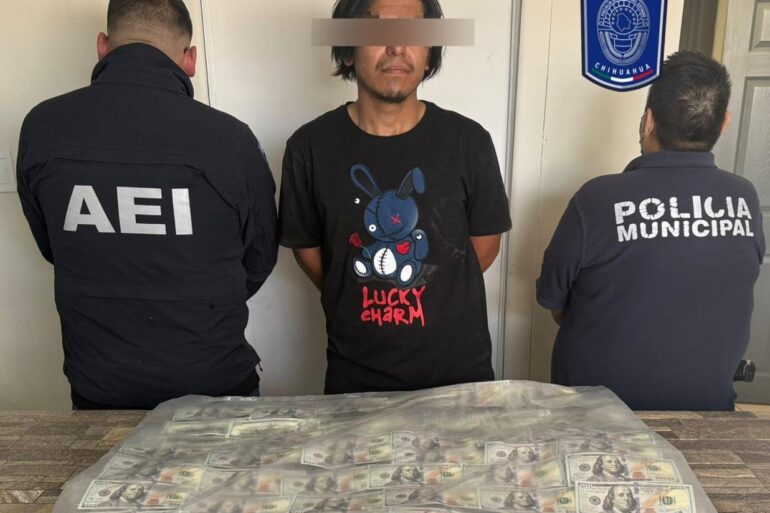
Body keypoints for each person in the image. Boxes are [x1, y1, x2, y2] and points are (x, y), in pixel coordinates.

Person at [16, 0, 277, 409]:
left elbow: (52, 246)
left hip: (99, 393)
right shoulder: (231, 140)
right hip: (216, 391)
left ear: (103, 46)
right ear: (190, 60)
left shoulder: (42, 128)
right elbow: (260, 257)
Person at [279, 0, 511, 394]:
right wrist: (359, 286)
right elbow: (310, 252)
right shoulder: (309, 148)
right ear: (347, 50)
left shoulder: (469, 142)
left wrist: (431, 286)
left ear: (430, 52)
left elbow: (483, 248)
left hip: (459, 381)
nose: (397, 47)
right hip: (355, 380)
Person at [536, 51, 765, 410]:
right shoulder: (744, 197)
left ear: (648, 122)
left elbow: (554, 302)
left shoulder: (596, 198)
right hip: (705, 409)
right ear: (724, 123)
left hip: (595, 414)